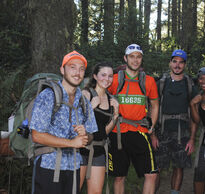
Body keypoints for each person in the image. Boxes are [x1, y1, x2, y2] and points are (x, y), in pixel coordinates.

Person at [30, 50, 98, 194]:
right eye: (72, 67)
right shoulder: (48, 96)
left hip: (73, 167)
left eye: (81, 69)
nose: (77, 73)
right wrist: (72, 143)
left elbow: (91, 135)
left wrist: (86, 135)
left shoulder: (83, 101)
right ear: (62, 70)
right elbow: (36, 135)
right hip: (49, 166)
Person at [107, 43, 159, 194]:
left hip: (140, 131)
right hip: (117, 132)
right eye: (132, 57)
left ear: (142, 59)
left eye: (138, 57)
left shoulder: (148, 81)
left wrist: (152, 125)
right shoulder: (114, 80)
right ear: (125, 58)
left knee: (151, 174)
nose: (135, 60)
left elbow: (155, 105)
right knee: (119, 177)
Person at [154, 49, 198, 194]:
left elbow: (194, 114)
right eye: (175, 61)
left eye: (181, 62)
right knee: (157, 167)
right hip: (162, 131)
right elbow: (151, 108)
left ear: (185, 65)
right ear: (170, 63)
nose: (177, 65)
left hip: (182, 133)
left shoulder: (189, 84)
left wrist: (192, 139)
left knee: (179, 166)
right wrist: (153, 134)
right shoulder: (161, 82)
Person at [80, 62, 119, 194]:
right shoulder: (86, 94)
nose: (106, 79)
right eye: (103, 75)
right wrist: (90, 107)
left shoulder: (110, 99)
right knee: (74, 190)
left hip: (99, 149)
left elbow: (104, 132)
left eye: (110, 76)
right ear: (95, 76)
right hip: (80, 149)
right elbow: (76, 122)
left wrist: (115, 115)